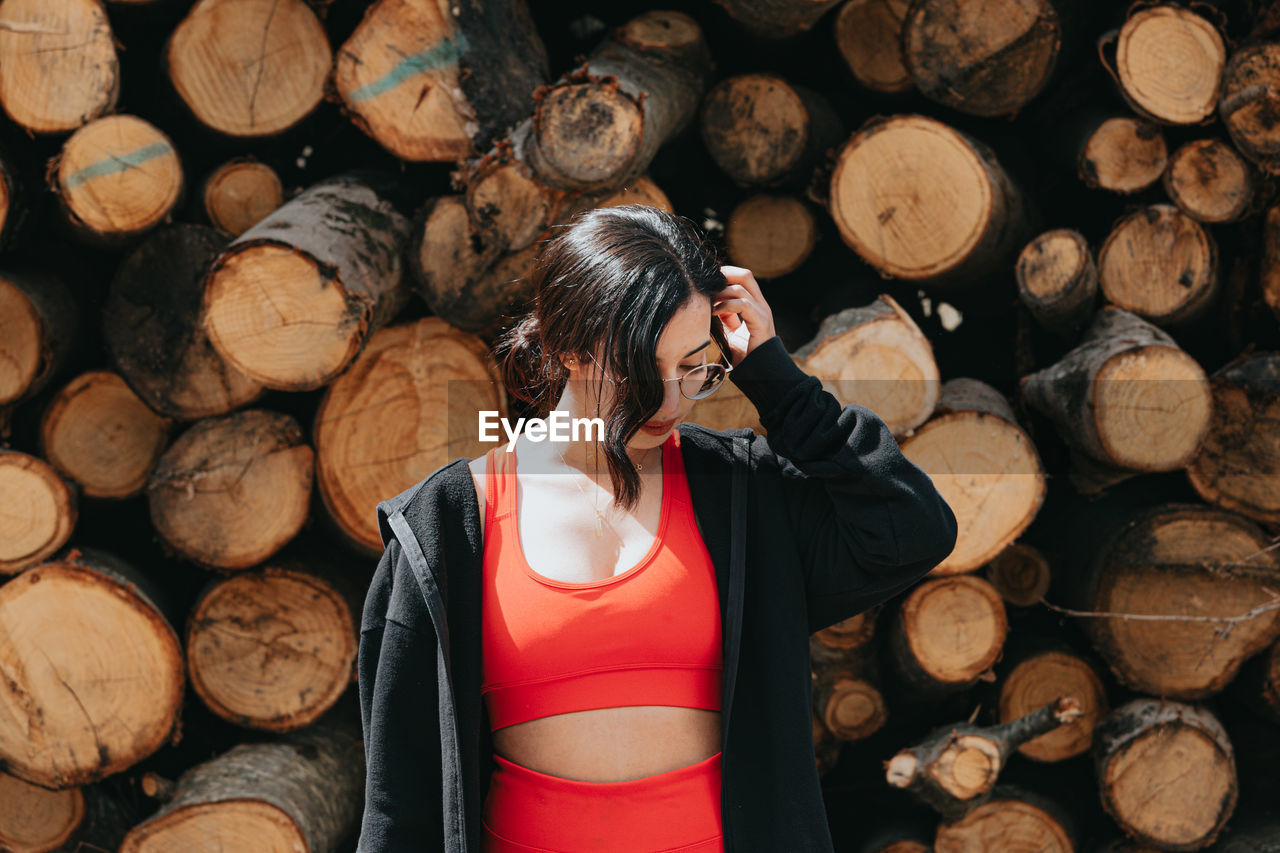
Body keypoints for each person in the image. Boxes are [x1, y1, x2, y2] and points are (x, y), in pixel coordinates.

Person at [356, 205, 958, 852]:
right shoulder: (447, 526)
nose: (671, 401)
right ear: (567, 347)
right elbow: (401, 802)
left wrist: (779, 383)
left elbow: (911, 528)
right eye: (645, 370)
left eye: (695, 366)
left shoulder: (738, 494)